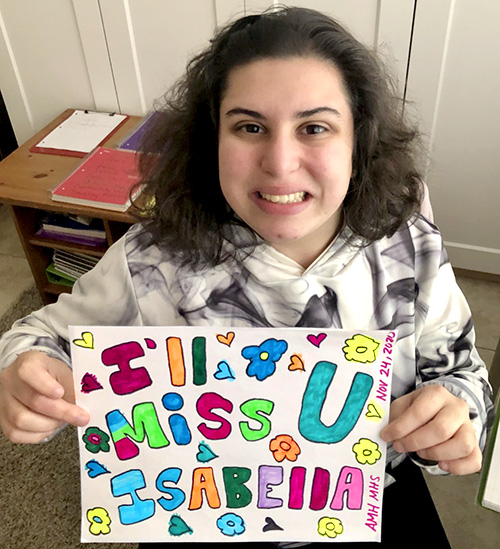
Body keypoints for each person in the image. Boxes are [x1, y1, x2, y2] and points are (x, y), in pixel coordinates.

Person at [0, 6, 493, 548]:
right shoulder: (152, 263)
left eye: (314, 127)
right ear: (212, 139)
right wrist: (27, 373)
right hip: (203, 516)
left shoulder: (408, 242)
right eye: (250, 126)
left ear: (359, 140)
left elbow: (461, 371)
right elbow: (38, 337)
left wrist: (455, 413)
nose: (280, 163)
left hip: (374, 499)